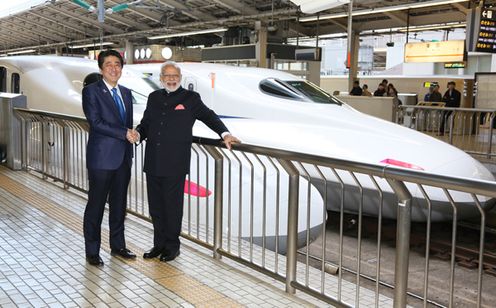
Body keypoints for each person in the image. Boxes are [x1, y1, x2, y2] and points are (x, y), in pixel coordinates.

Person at [136, 61, 240, 262]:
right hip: (153, 160)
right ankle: (159, 245)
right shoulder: (154, 97)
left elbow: (208, 116)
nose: (171, 79)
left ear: (180, 77)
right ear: (161, 78)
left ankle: (172, 247)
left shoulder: (190, 98)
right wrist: (139, 134)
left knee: (172, 206)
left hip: (175, 162)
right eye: (167, 76)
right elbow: (147, 123)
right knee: (156, 207)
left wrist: (225, 133)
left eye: (175, 76)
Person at [82, 50, 138, 267]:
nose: (114, 68)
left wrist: (132, 133)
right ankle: (92, 251)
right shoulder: (91, 92)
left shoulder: (125, 92)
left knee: (119, 204)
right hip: (102, 159)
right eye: (109, 65)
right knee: (96, 205)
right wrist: (124, 133)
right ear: (101, 69)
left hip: (123, 158)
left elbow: (126, 123)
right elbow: (95, 122)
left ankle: (118, 246)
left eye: (118, 64)